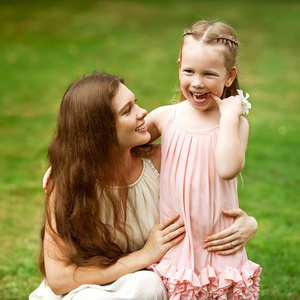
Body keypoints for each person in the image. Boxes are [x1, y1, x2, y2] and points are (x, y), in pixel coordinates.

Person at [30, 72, 258, 300]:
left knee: (148, 285)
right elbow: (59, 280)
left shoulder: (165, 162)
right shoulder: (67, 184)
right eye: (127, 110)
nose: (143, 113)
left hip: (141, 289)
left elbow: (209, 204)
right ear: (99, 131)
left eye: (135, 103)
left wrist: (249, 224)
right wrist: (144, 256)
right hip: (82, 293)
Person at [146, 20, 262, 299]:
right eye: (189, 71)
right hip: (178, 242)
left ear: (229, 76)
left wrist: (230, 116)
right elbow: (117, 145)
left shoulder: (234, 125)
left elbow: (227, 168)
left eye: (209, 74)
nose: (197, 83)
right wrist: (70, 165)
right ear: (178, 67)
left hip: (219, 242)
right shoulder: (165, 117)